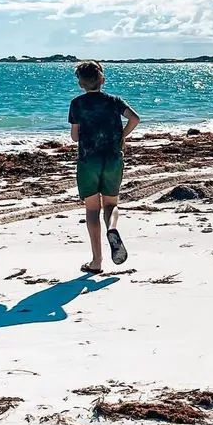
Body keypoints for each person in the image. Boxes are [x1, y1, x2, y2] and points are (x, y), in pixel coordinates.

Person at [68, 61, 140, 274]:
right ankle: (113, 229)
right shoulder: (114, 101)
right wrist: (120, 135)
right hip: (112, 159)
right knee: (111, 204)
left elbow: (74, 136)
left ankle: (96, 262)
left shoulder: (77, 103)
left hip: (88, 161)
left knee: (92, 210)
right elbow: (135, 119)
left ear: (81, 84)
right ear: (103, 80)